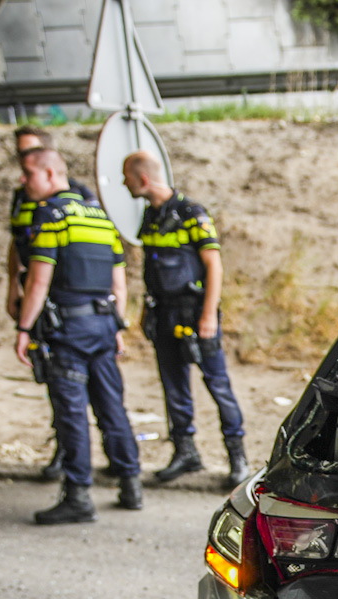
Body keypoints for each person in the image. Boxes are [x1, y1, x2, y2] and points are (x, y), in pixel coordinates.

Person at [13, 148, 143, 524]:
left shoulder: (50, 216)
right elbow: (119, 283)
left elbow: (39, 279)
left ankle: (79, 496)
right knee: (111, 406)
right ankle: (130, 484)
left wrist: (24, 329)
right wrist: (117, 326)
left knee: (72, 413)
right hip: (103, 326)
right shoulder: (102, 216)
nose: (23, 183)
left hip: (68, 331)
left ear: (52, 175)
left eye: (28, 174)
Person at [120, 150, 250, 485]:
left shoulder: (191, 212)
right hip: (163, 313)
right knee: (173, 386)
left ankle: (238, 458)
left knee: (217, 384)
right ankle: (186, 452)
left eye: (127, 177)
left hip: (195, 312)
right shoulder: (149, 216)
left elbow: (214, 266)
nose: (123, 183)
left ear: (143, 178)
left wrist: (208, 316)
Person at [5, 126, 100, 482]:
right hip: (37, 296)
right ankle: (64, 449)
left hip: (67, 303)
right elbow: (17, 244)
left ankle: (80, 468)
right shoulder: (21, 197)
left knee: (77, 388)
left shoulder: (74, 197)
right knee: (54, 381)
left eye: (29, 155)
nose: (22, 166)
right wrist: (12, 285)